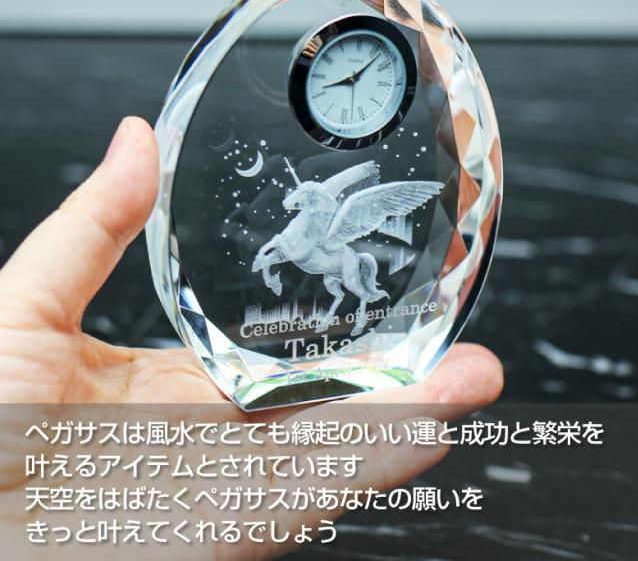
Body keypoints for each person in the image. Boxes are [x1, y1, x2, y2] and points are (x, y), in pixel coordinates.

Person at [0, 117, 503, 558]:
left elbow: (351, 195)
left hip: (339, 300)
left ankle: (352, 307)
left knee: (348, 286)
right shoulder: (299, 222)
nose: (295, 201)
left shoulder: (332, 223)